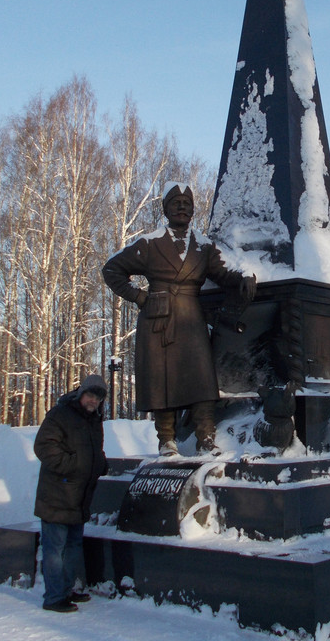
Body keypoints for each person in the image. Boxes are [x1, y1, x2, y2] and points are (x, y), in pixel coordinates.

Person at [102, 182, 255, 456]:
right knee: (163, 381)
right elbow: (112, 269)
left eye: (187, 202)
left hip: (191, 317)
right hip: (157, 320)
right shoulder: (150, 244)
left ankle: (206, 439)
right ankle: (166, 441)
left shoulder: (203, 246)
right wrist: (139, 297)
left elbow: (222, 274)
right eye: (176, 202)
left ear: (194, 209)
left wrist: (242, 278)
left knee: (202, 380)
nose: (182, 206)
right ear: (165, 209)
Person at [33, 374, 108, 613]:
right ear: (80, 393)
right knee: (55, 549)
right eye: (90, 395)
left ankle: (68, 589)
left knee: (73, 546)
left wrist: (100, 464)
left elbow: (93, 451)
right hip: (58, 493)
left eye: (98, 398)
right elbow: (44, 446)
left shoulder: (94, 420)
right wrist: (73, 465)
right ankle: (54, 597)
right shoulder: (60, 414)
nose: (93, 401)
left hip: (78, 497)